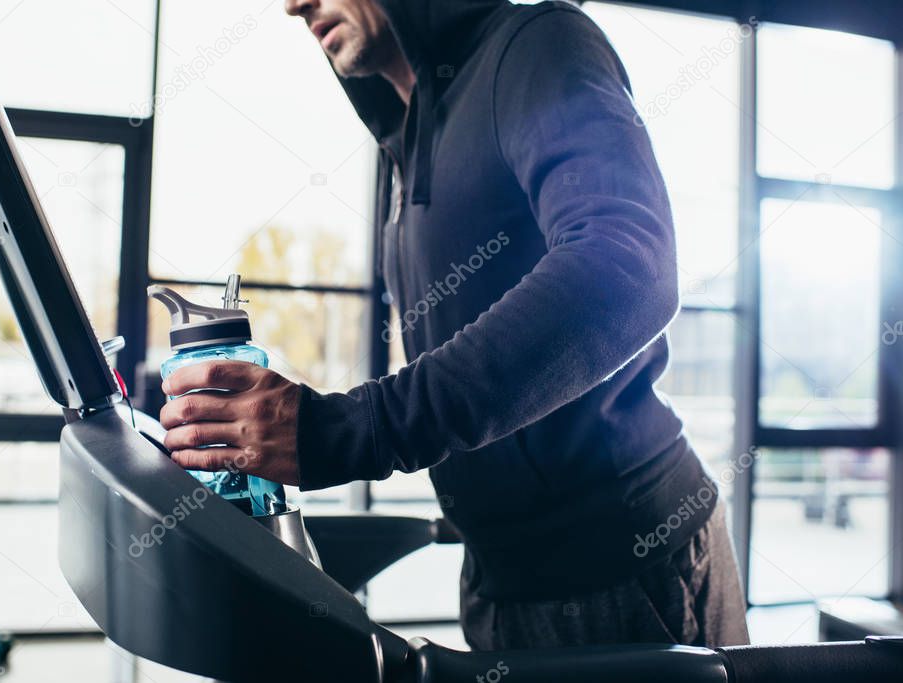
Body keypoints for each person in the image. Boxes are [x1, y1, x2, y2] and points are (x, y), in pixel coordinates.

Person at [158, 0, 750, 650]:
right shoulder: (409, 138)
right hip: (497, 581)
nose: (295, 3)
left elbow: (625, 266)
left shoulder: (536, 44)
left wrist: (354, 429)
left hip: (623, 568)